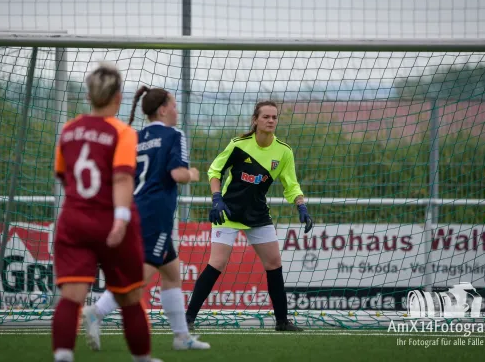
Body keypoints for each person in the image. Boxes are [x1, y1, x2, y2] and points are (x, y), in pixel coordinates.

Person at [82, 86, 210, 351]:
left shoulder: (137, 137)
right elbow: (177, 174)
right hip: (156, 213)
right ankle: (98, 311)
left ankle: (181, 337)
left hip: (135, 208)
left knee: (172, 273)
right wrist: (194, 174)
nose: (176, 110)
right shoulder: (174, 134)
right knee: (138, 277)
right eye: (173, 105)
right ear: (162, 109)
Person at [51, 64, 161, 362]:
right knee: (129, 297)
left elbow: (63, 175)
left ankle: (62, 357)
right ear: (119, 97)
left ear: (89, 95)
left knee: (71, 298)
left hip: (74, 220)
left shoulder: (69, 129)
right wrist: (121, 219)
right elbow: (123, 178)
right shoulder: (122, 132)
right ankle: (142, 359)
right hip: (112, 221)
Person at [185, 100, 313, 332]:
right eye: (266, 117)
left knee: (274, 263)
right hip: (229, 212)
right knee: (217, 262)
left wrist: (301, 206)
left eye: (274, 117)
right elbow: (215, 171)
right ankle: (188, 318)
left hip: (258, 215)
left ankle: (282, 321)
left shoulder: (284, 152)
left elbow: (291, 185)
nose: (271, 121)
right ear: (255, 120)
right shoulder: (238, 145)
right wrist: (217, 199)